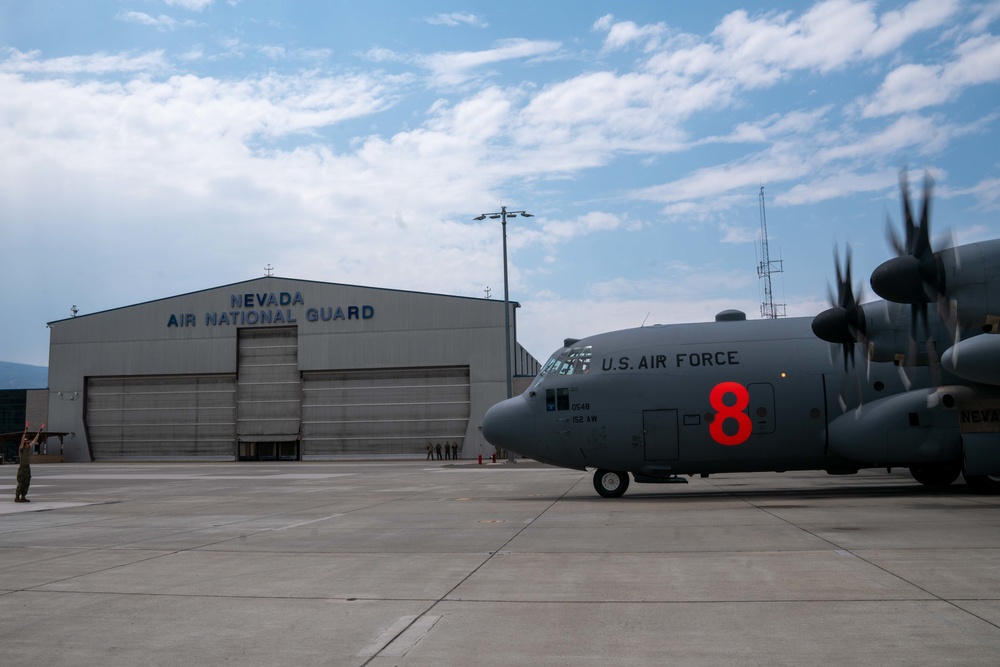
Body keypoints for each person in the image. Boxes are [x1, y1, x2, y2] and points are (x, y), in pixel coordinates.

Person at [15, 423, 43, 503]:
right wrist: (25, 432)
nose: (28, 444)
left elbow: (34, 441)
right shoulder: (21, 449)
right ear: (24, 444)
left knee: (27, 482)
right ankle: (17, 496)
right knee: (21, 482)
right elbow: (21, 441)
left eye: (28, 443)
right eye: (27, 443)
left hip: (27, 467)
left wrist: (38, 433)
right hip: (22, 468)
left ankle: (23, 496)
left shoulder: (27, 449)